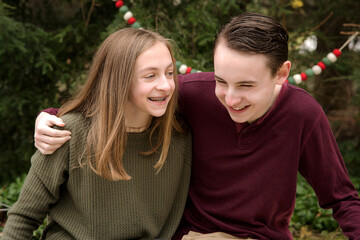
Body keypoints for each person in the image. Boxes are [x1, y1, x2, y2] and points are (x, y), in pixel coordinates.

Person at [33, 12, 360, 239]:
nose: (230, 99)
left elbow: (342, 199)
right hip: (192, 235)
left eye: (246, 86)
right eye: (221, 81)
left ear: (282, 73)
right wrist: (51, 116)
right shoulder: (192, 94)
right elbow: (117, 99)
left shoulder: (303, 114)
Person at [2, 28, 192, 239]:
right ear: (119, 81)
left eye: (169, 73)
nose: (166, 85)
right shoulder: (69, 134)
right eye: (150, 76)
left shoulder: (179, 137)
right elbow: (23, 218)